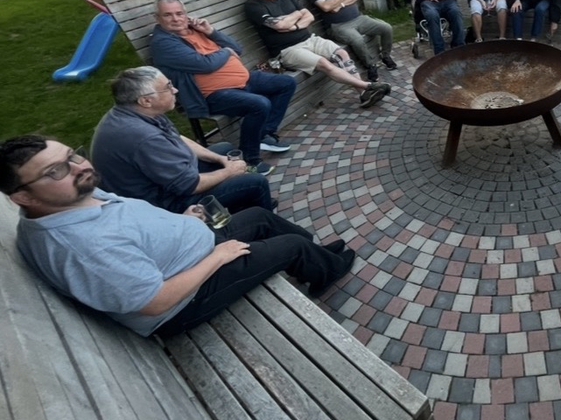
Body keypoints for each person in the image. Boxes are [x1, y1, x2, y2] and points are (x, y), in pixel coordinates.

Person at [1, 135, 356, 338]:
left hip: (187, 251)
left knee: (260, 217)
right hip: (186, 299)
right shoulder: (81, 247)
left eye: (72, 156)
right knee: (289, 246)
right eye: (56, 170)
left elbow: (134, 227)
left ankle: (317, 256)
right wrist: (218, 257)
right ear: (23, 197)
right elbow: (153, 302)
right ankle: (327, 271)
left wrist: (182, 221)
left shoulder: (73, 196)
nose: (80, 168)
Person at [91, 67, 277, 211]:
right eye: (167, 88)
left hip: (160, 180)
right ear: (146, 100)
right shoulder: (143, 138)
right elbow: (189, 185)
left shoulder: (136, 112)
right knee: (256, 182)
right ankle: (260, 222)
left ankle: (244, 204)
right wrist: (229, 171)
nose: (175, 90)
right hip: (161, 204)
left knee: (224, 150)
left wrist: (221, 160)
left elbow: (177, 138)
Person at [150, 0, 295, 168]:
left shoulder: (197, 29)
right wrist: (226, 52)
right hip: (212, 95)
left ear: (186, 14)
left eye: (179, 13)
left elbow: (237, 49)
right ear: (157, 18)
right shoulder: (163, 43)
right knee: (259, 104)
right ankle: (250, 160)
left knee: (286, 83)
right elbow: (205, 65)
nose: (175, 19)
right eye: (168, 15)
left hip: (243, 80)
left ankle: (263, 135)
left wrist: (210, 31)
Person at [244, 0, 390, 109]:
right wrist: (297, 15)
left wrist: (293, 24)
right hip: (287, 50)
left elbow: (309, 16)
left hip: (310, 39)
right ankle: (368, 86)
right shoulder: (253, 5)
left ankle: (363, 94)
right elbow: (279, 25)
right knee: (325, 63)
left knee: (342, 54)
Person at [304, 0, 397, 82]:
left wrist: (339, 4)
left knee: (386, 28)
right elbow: (325, 6)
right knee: (358, 40)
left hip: (359, 18)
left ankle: (385, 56)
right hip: (338, 26)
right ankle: (370, 65)